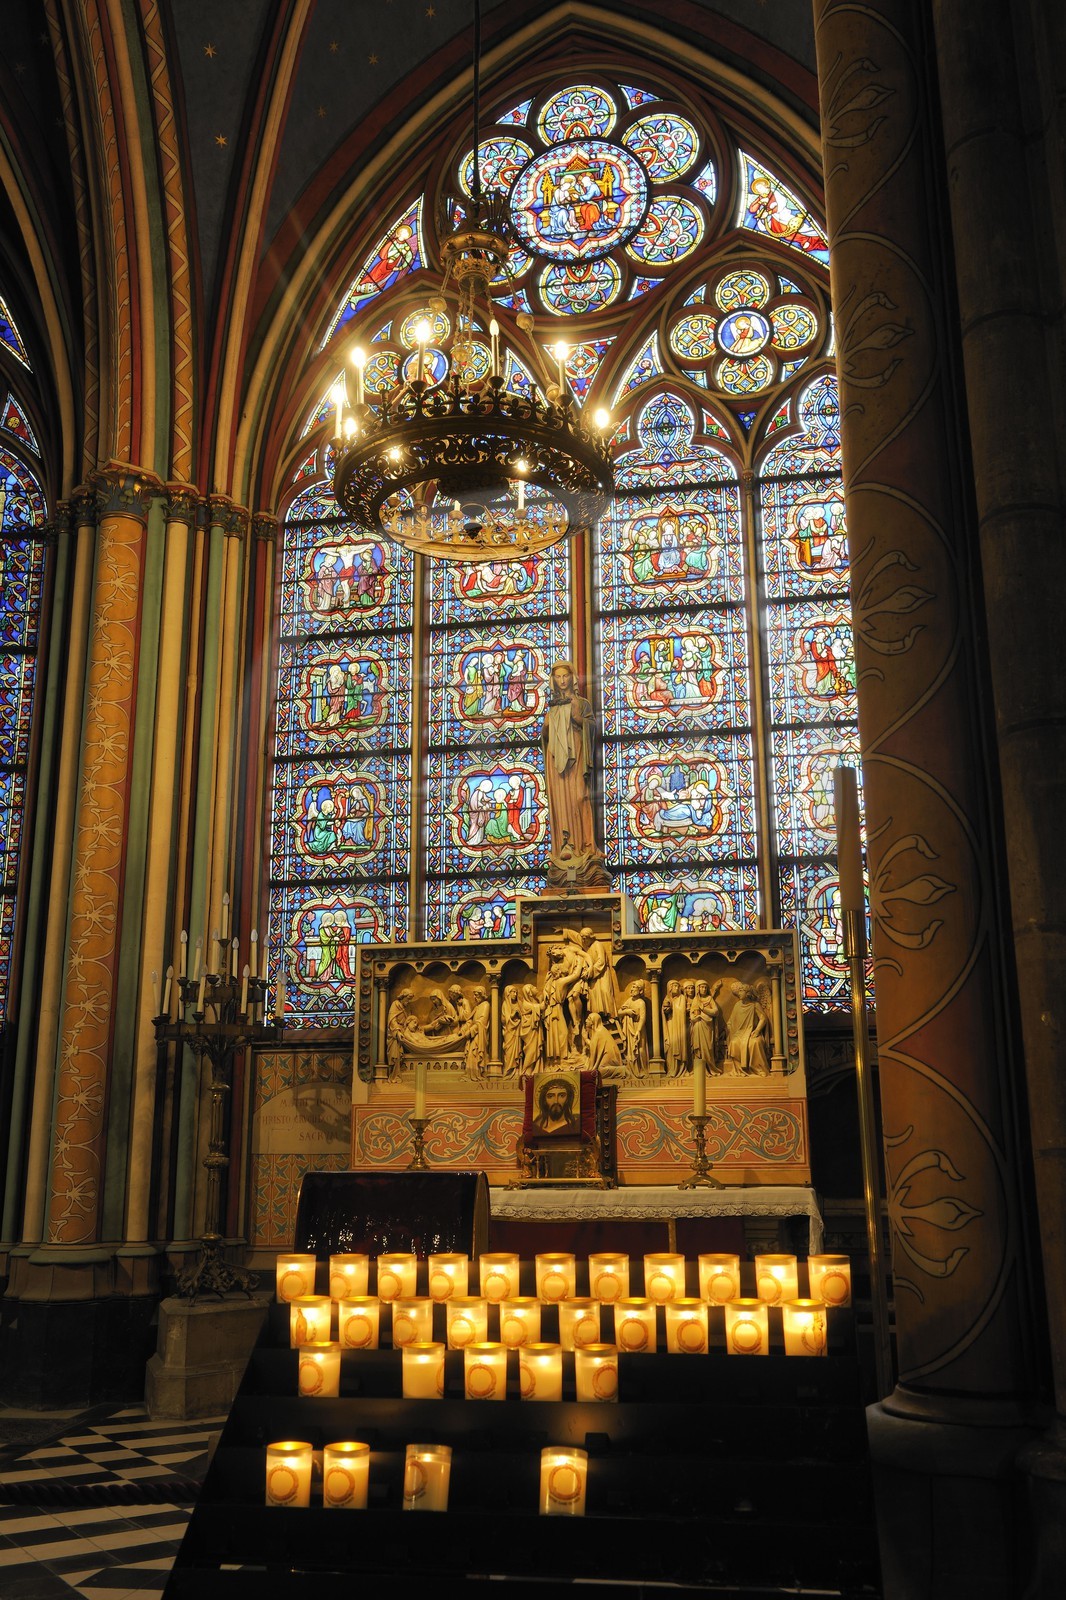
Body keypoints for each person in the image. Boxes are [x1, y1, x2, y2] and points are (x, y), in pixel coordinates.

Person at [541, 660, 599, 857]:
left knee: (579, 797)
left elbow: (591, 727)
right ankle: (566, 845)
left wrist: (577, 719)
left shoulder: (582, 704)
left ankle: (586, 846)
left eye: (565, 676)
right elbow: (545, 738)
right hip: (557, 760)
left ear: (572, 678)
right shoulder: (552, 708)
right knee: (561, 801)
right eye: (558, 677)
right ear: (553, 680)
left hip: (578, 754)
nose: (562, 680)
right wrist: (546, 727)